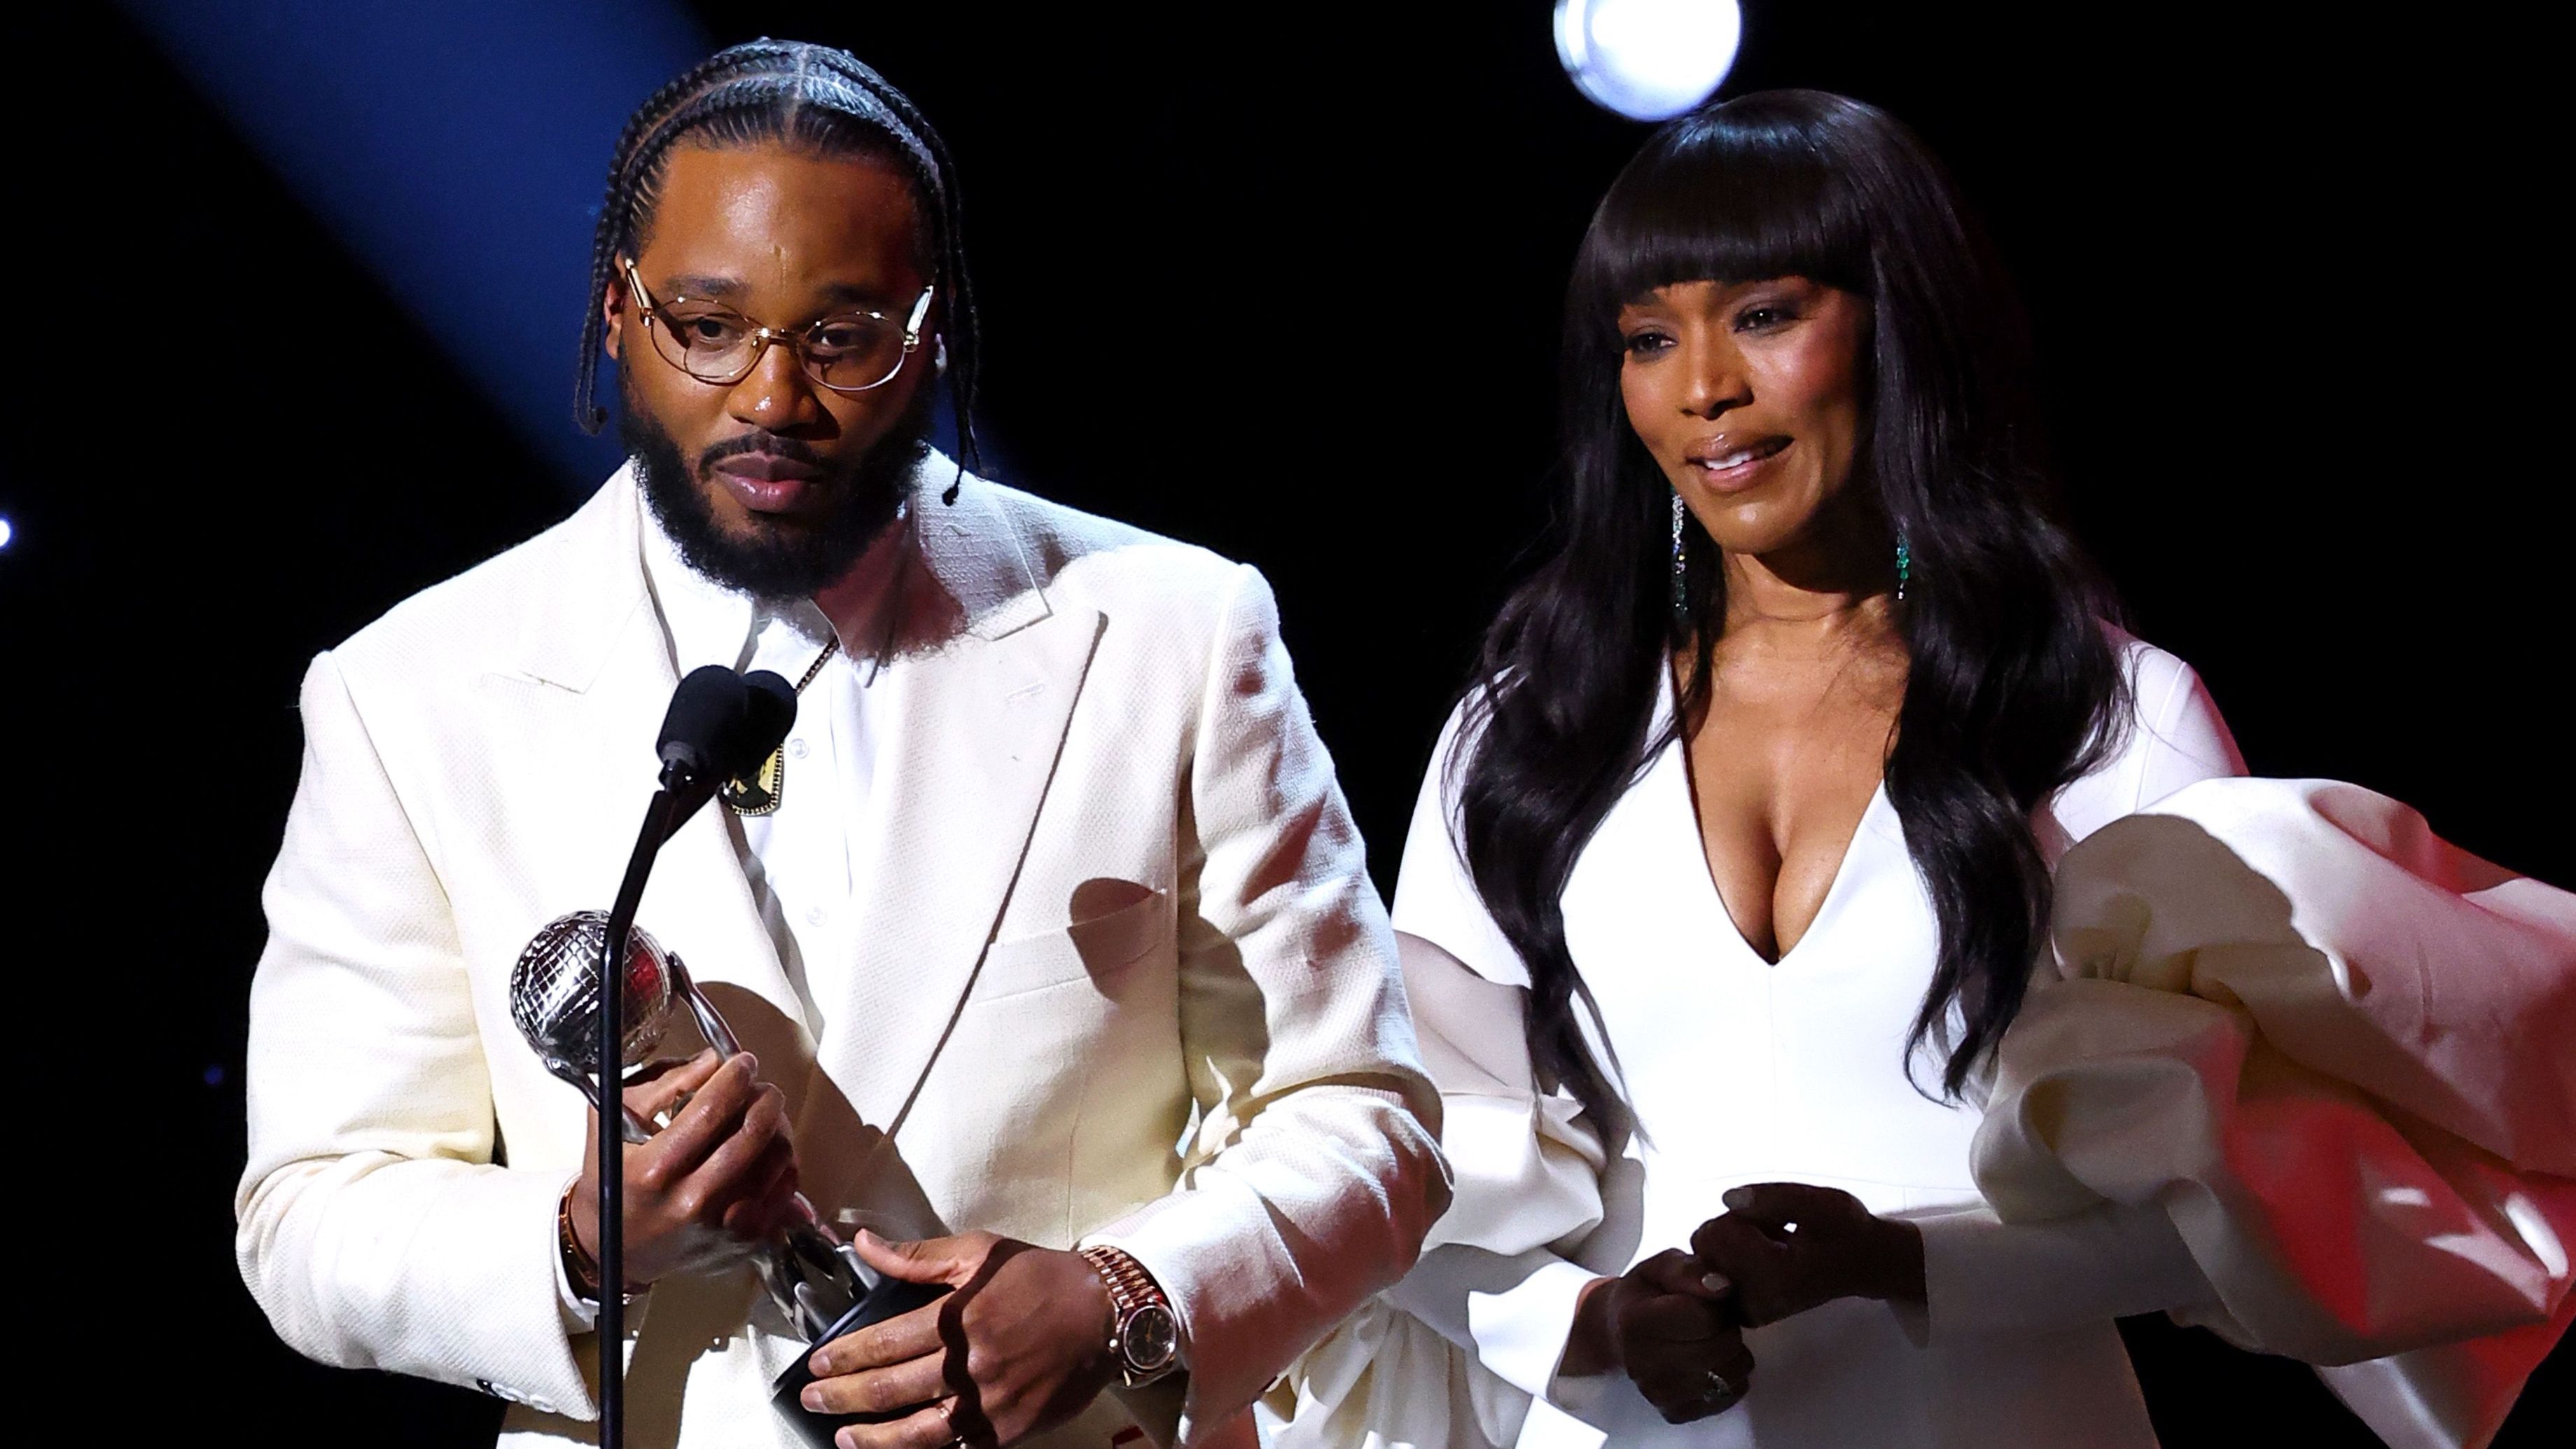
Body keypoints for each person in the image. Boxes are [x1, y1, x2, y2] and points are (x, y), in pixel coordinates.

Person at [235, 40, 1444, 1449]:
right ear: (616, 315)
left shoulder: (1174, 630)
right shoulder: (410, 691)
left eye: (841, 335)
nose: (769, 398)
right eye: (706, 324)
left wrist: (1124, 1298)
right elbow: (311, 1212)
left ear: (933, 330)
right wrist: (581, 1242)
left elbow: (1363, 1116)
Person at [1276, 90, 2246, 1449]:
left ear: (1896, 325)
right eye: (1648, 338)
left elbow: (2240, 1195)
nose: (1702, 387)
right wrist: (1591, 1323)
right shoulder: (1530, 734)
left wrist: (1901, 1263)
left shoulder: (2112, 722)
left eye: (1765, 315)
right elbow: (1405, 1162)